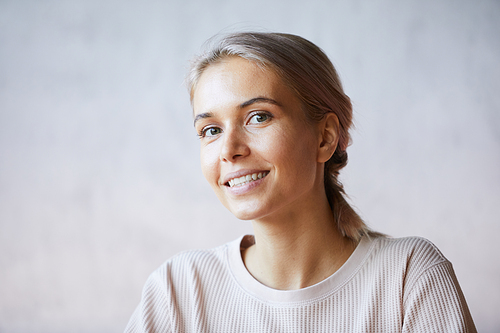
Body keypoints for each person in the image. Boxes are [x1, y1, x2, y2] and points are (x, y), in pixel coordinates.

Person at [125, 32, 476, 332]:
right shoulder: (178, 291)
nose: (228, 150)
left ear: (324, 137)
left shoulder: (408, 277)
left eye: (258, 117)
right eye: (211, 130)